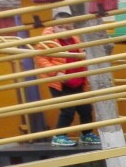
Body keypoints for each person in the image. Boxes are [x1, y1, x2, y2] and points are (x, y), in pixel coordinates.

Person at [33, 12, 99, 148]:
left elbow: (81, 55)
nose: (64, 31)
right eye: (60, 27)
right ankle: (59, 136)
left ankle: (87, 134)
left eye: (68, 28)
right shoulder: (48, 41)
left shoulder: (75, 40)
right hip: (61, 83)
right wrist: (55, 72)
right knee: (68, 110)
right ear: (53, 27)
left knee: (86, 109)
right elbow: (41, 58)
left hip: (77, 81)